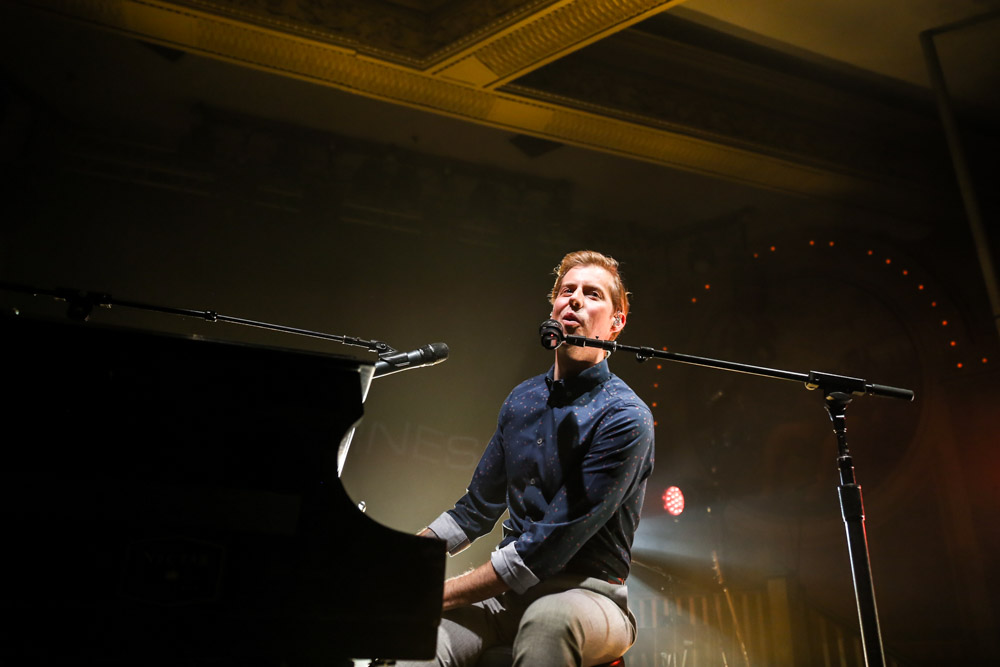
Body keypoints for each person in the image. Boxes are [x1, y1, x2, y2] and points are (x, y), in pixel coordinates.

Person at [400, 250, 655, 667]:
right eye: (566, 291)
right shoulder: (522, 399)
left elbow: (543, 550)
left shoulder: (626, 417)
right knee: (420, 641)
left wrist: (433, 595)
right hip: (510, 600)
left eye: (592, 294)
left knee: (548, 620)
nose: (574, 300)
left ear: (616, 323)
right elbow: (473, 512)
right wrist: (395, 559)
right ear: (553, 308)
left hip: (592, 597)